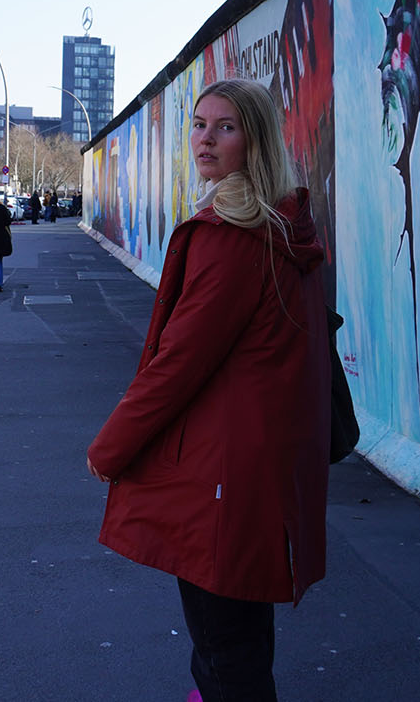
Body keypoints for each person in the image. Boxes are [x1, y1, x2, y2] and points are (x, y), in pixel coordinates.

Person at [87, 78, 329, 702]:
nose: (205, 138)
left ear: (255, 141)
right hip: (255, 468)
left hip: (221, 477)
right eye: (199, 123)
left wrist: (109, 448)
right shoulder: (284, 229)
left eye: (225, 127)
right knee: (239, 637)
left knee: (225, 654)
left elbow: (178, 364)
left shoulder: (229, 240)